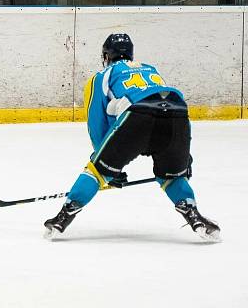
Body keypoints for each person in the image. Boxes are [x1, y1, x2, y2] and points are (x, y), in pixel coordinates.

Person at [43, 33, 220, 242]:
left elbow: (97, 124)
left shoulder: (103, 76)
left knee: (96, 172)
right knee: (172, 176)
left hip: (139, 114)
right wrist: (183, 158)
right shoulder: (150, 70)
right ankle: (194, 216)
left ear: (106, 55)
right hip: (177, 115)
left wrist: (107, 166)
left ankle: (63, 217)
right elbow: (172, 104)